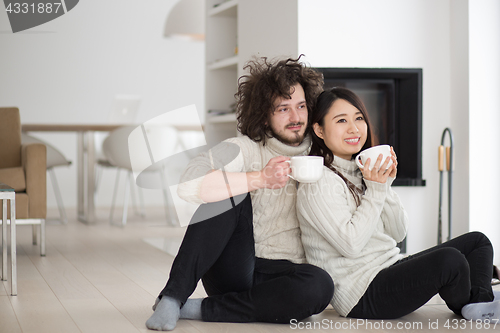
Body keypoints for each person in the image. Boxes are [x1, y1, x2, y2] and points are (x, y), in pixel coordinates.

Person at [146, 56, 334, 331]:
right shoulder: (243, 148)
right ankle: (173, 297)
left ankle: (198, 309)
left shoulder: (320, 152)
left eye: (301, 106)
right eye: (283, 108)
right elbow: (187, 184)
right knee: (228, 192)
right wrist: (258, 178)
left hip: (284, 277)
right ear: (264, 115)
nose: (296, 117)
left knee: (320, 284)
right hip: (236, 268)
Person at [296, 86, 498, 321]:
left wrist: (385, 185)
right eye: (341, 120)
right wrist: (377, 189)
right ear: (319, 130)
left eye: (359, 118)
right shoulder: (317, 182)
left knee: (478, 242)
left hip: (389, 267)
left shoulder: (362, 171)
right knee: (451, 261)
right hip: (362, 293)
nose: (354, 128)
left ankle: (481, 302)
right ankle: (475, 305)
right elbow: (351, 245)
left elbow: (398, 232)